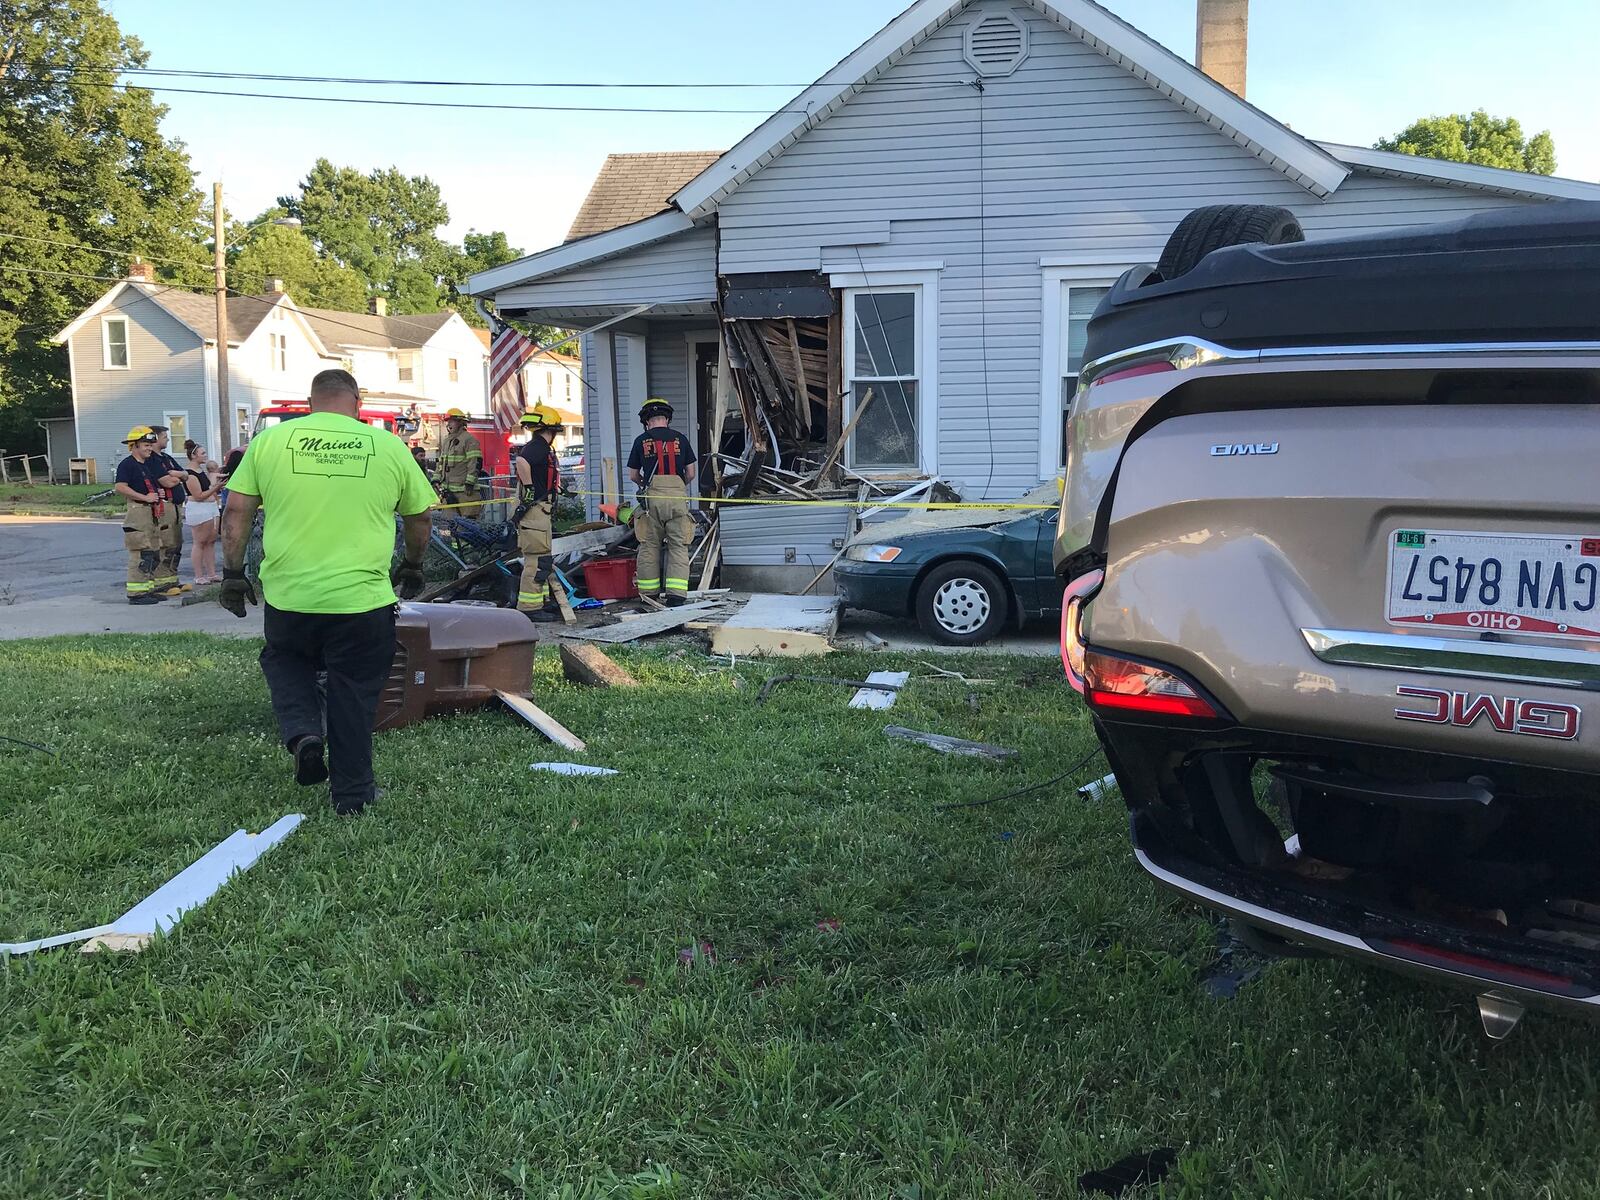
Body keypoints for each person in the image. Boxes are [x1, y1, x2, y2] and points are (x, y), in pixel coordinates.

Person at [219, 369, 434, 816]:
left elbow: (237, 510)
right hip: (362, 599)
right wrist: (413, 564)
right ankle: (352, 795)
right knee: (352, 689)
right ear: (356, 402)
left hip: (289, 595)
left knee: (286, 659)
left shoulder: (272, 443)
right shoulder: (388, 446)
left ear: (311, 401)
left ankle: (304, 734)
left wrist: (233, 573)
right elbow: (420, 517)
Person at [627, 398, 697, 606]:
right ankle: (676, 596)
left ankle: (650, 596)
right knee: (678, 545)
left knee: (649, 546)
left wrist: (645, 486)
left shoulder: (641, 440)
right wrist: (677, 485)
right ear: (667, 418)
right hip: (677, 498)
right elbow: (691, 472)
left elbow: (632, 475)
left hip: (652, 500)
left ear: (647, 421)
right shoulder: (681, 439)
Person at [112, 426, 176, 605]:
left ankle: (148, 588)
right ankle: (136, 594)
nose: (150, 448)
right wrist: (145, 497)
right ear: (134, 446)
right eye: (146, 445)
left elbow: (147, 486)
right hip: (138, 512)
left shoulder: (145, 465)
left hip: (152, 512)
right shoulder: (127, 464)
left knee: (153, 552)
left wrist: (158, 494)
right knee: (141, 553)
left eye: (150, 444)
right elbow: (120, 487)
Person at [512, 405, 564, 623]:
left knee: (542, 559)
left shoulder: (540, 447)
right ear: (549, 430)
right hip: (535, 511)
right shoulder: (538, 446)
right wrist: (531, 487)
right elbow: (522, 462)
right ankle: (529, 608)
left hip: (540, 510)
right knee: (535, 559)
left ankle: (539, 602)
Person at [146, 425, 190, 596]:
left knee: (176, 543)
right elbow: (168, 482)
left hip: (178, 506)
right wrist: (178, 476)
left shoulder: (167, 458)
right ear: (155, 438)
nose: (168, 439)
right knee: (166, 543)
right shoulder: (152, 460)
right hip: (166, 505)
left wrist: (177, 475)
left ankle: (172, 579)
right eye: (165, 436)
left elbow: (186, 474)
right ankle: (161, 581)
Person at [182, 439, 224, 584]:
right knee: (199, 542)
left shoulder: (202, 471)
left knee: (210, 541)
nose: (205, 456)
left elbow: (208, 489)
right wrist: (215, 488)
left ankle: (212, 573)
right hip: (199, 509)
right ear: (194, 455)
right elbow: (199, 495)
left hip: (210, 507)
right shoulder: (190, 474)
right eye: (202, 453)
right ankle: (199, 575)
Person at [433, 408, 482, 512]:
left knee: (467, 525)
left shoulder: (469, 440)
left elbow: (475, 463)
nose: (448, 424)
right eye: (448, 422)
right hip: (448, 493)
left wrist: (470, 483)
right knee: (450, 525)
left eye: (452, 421)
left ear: (461, 422)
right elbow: (440, 463)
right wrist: (436, 479)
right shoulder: (447, 441)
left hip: (465, 493)